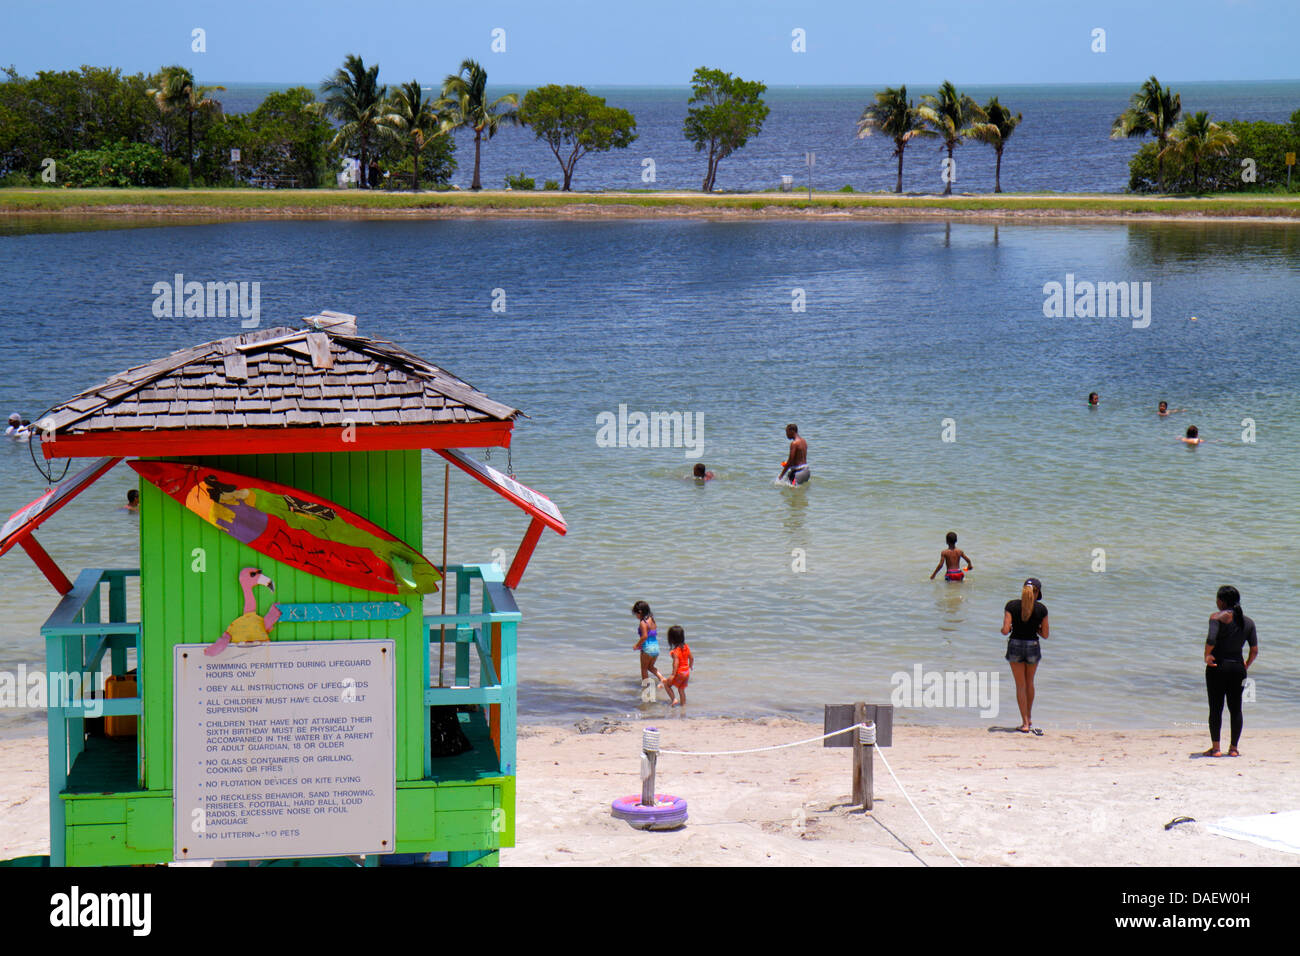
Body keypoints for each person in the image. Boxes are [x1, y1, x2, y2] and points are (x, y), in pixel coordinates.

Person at [1202, 585, 1258, 758]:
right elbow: (1254, 650)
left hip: (1217, 667)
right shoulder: (1248, 622)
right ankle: (1233, 749)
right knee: (1236, 708)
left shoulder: (1216, 617)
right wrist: (1245, 666)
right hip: (1237, 669)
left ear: (1222, 601)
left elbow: (1211, 639)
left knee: (1216, 708)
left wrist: (1207, 655)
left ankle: (1216, 749)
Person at [1001, 578, 1048, 733]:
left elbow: (1005, 631)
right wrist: (1036, 628)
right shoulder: (1041, 609)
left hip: (1015, 645)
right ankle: (1029, 717)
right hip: (1032, 646)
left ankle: (1025, 723)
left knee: (1020, 685)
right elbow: (1045, 634)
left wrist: (1011, 626)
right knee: (1030, 683)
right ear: (1038, 592)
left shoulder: (1011, 606)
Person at [631, 600, 664, 687]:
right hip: (656, 648)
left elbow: (644, 636)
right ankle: (662, 679)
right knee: (651, 667)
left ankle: (646, 687)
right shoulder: (652, 620)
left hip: (647, 649)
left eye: (636, 614)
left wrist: (636, 645)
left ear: (640, 612)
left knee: (644, 669)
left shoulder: (643, 623)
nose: (636, 616)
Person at [661, 625, 694, 706]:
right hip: (686, 673)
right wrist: (690, 666)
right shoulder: (686, 647)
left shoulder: (675, 651)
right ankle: (683, 706)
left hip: (679, 673)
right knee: (681, 690)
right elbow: (691, 658)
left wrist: (673, 674)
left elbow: (676, 663)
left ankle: (674, 699)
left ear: (672, 639)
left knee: (667, 685)